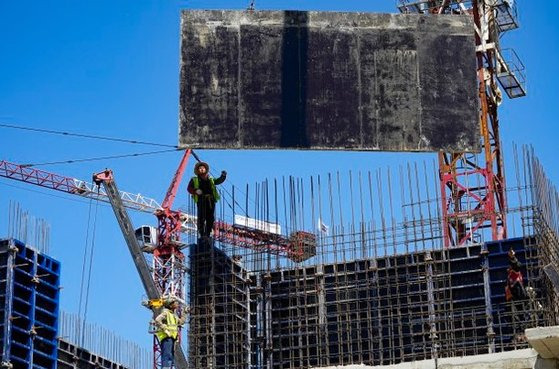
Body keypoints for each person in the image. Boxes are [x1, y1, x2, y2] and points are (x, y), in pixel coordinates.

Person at [187, 162, 227, 238]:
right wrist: (196, 191)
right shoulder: (194, 179)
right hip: (201, 200)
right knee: (201, 217)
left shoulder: (211, 179)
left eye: (203, 168)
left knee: (210, 217)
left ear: (205, 170)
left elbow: (218, 181)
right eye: (200, 168)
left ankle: (208, 233)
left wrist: (223, 176)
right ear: (198, 170)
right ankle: (202, 234)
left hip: (210, 200)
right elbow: (189, 188)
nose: (201, 169)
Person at [154, 299, 188, 369]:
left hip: (172, 337)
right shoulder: (166, 313)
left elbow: (181, 322)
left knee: (171, 355)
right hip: (167, 337)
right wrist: (165, 329)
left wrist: (185, 313)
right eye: (175, 303)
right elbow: (157, 320)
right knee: (167, 355)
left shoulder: (173, 315)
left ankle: (167, 367)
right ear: (170, 305)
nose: (177, 304)